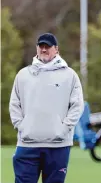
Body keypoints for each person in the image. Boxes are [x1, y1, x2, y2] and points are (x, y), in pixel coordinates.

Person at [9, 33, 84, 183]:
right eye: (41, 46)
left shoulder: (69, 75)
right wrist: (22, 127)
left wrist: (64, 129)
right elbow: (14, 104)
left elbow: (77, 105)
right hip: (27, 144)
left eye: (47, 47)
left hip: (58, 145)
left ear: (56, 49)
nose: (44, 49)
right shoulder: (23, 75)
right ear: (36, 48)